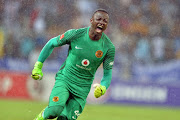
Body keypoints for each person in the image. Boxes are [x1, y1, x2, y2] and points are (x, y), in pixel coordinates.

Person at [31, 9, 115, 120]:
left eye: (105, 21)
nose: (102, 22)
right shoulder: (76, 34)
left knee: (65, 119)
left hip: (82, 89)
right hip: (65, 79)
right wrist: (38, 66)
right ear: (91, 20)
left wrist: (103, 87)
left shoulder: (108, 47)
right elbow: (51, 43)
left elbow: (108, 73)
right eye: (98, 19)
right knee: (54, 110)